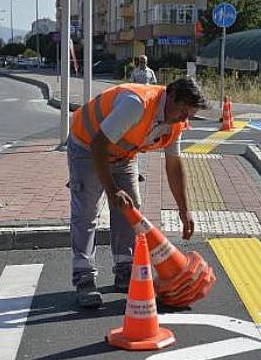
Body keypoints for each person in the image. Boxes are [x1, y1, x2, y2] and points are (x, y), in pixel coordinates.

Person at [67, 77, 207, 308]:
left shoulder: (175, 122)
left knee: (130, 209)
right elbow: (98, 145)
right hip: (87, 146)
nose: (184, 119)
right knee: (87, 211)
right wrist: (112, 190)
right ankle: (84, 277)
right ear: (170, 97)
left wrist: (184, 210)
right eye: (183, 111)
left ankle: (124, 269)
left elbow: (173, 165)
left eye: (189, 115)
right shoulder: (137, 104)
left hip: (123, 155)